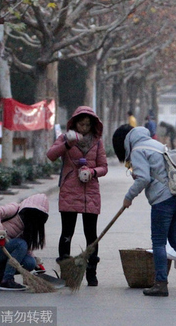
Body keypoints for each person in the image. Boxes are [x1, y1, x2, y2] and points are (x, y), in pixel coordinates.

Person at [112, 125, 176, 298]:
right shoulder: (155, 144)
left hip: (163, 200)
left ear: (124, 142)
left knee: (159, 242)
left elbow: (144, 178)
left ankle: (160, 284)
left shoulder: (138, 149)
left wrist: (128, 196)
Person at [46, 106, 108, 286]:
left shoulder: (97, 142)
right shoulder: (65, 138)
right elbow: (51, 155)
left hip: (90, 191)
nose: (84, 128)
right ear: (74, 124)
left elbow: (103, 166)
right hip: (70, 190)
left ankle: (91, 272)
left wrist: (92, 172)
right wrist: (67, 143)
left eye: (88, 125)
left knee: (91, 234)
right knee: (67, 232)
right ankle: (66, 270)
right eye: (81, 124)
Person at [0, 193, 49, 291]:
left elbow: (24, 248)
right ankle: (7, 280)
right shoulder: (14, 209)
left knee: (30, 263)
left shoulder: (29, 225)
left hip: (2, 251)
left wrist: (36, 261)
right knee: (20, 244)